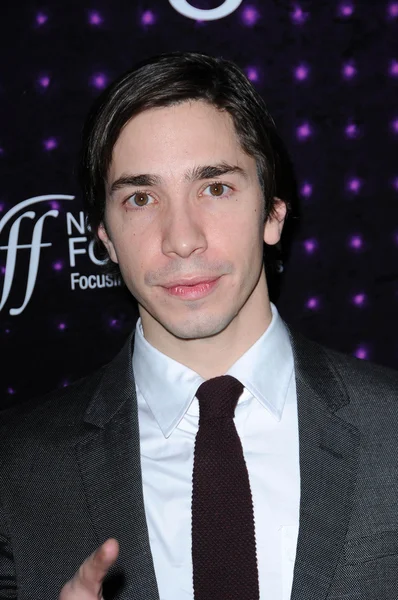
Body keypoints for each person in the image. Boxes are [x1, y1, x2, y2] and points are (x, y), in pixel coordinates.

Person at [1, 52, 398, 600]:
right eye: (141, 198)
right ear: (105, 238)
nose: (181, 238)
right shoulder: (15, 473)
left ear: (274, 213)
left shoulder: (392, 429)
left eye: (215, 188)